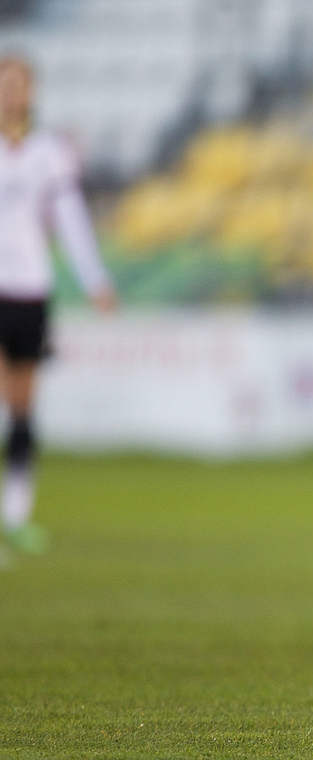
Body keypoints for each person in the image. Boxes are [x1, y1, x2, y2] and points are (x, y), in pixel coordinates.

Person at [0, 54, 117, 558]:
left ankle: (16, 515)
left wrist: (94, 278)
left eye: (18, 85)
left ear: (31, 93)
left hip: (31, 289)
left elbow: (70, 222)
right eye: (4, 84)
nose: (11, 93)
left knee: (22, 407)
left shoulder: (49, 153)